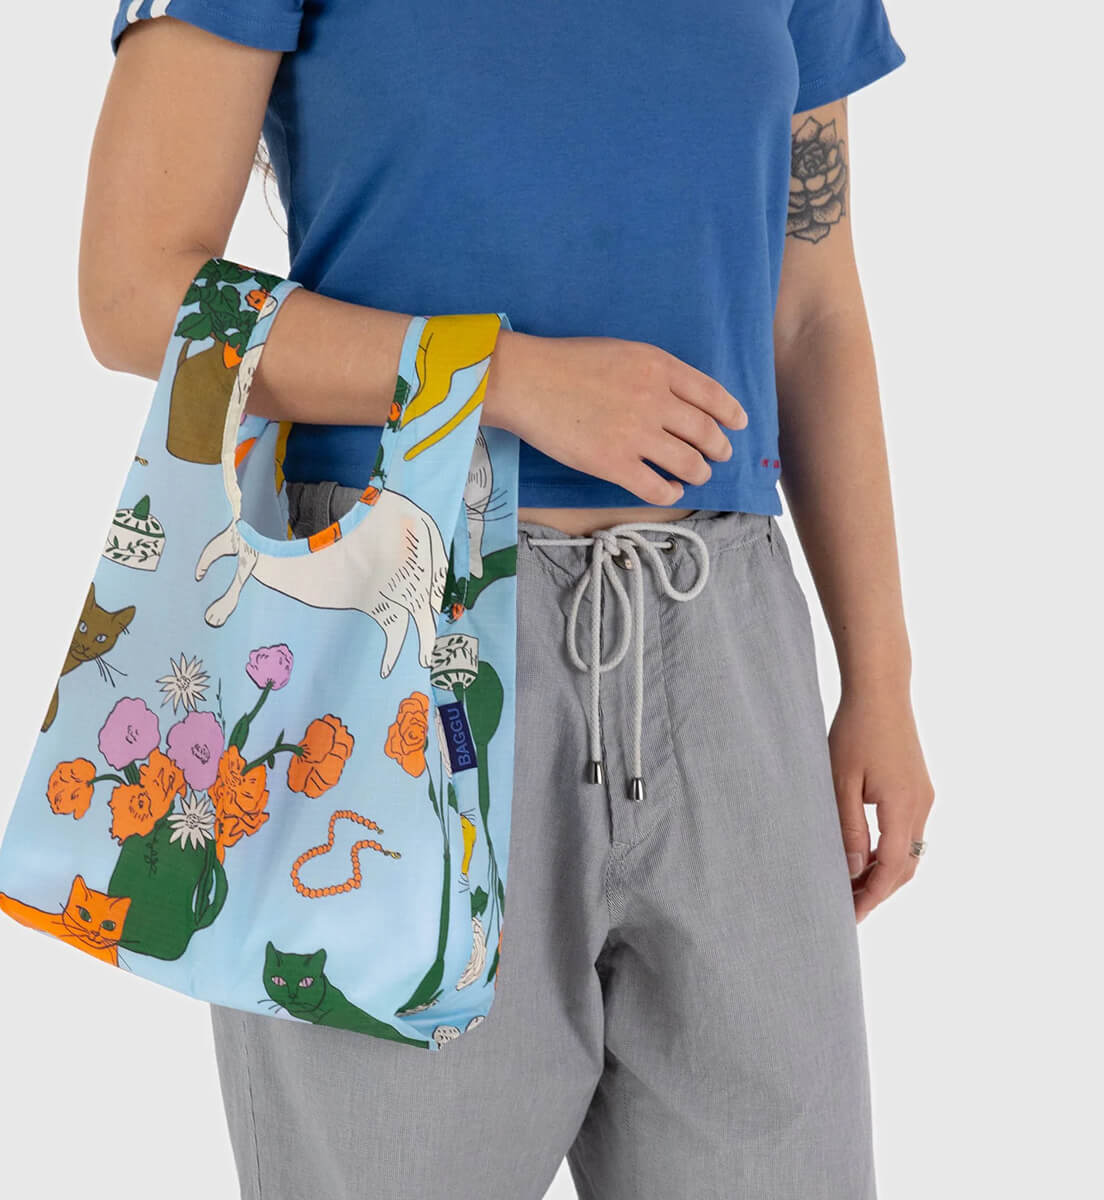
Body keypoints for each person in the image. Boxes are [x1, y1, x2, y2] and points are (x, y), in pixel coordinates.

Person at [84, 3, 933, 1196]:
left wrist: (880, 678)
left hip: (726, 639)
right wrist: (502, 377)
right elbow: (134, 292)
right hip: (394, 637)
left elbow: (815, 309)